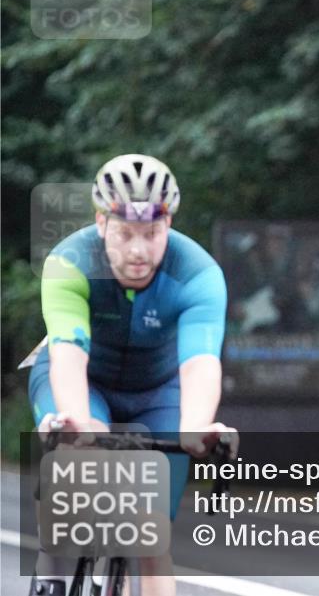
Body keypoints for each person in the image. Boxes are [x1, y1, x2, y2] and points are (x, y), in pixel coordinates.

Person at [27, 154, 236, 596]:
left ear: (168, 224)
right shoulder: (69, 262)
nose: (138, 250)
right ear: (101, 222)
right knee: (77, 459)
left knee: (151, 537)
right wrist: (79, 424)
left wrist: (196, 428)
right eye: (125, 233)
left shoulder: (198, 273)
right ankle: (52, 569)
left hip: (159, 391)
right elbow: (68, 354)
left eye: (152, 233)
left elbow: (200, 363)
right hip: (85, 381)